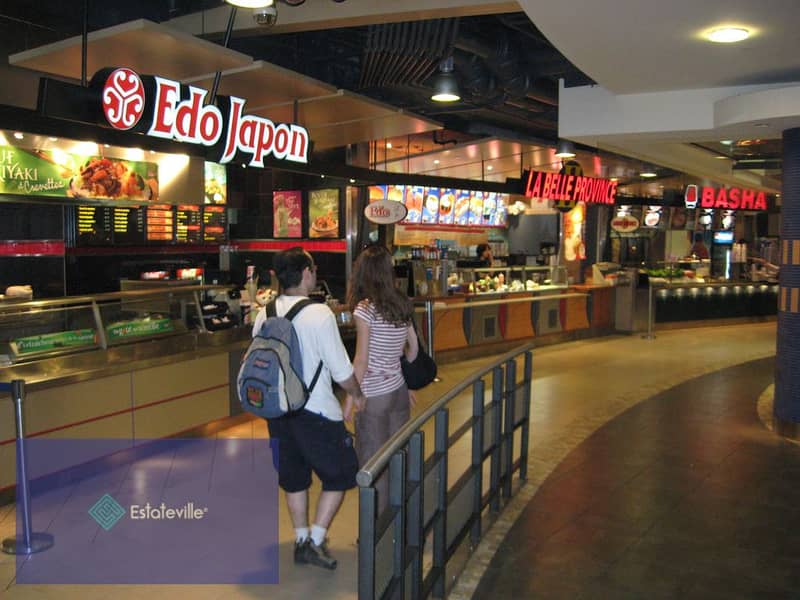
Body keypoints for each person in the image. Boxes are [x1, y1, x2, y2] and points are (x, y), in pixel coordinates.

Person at [252, 246, 366, 571]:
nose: (315, 273)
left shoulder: (265, 312)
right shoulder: (319, 314)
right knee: (342, 473)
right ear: (305, 273)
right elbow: (341, 369)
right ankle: (315, 539)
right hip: (316, 412)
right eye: (313, 268)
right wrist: (356, 395)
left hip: (279, 411)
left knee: (294, 478)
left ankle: (301, 538)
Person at [347, 245, 418, 512]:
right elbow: (413, 350)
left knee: (374, 465)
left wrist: (350, 396)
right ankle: (399, 523)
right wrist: (400, 377)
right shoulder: (401, 303)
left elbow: (361, 360)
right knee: (399, 457)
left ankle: (375, 534)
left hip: (374, 396)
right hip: (399, 391)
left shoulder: (365, 309)